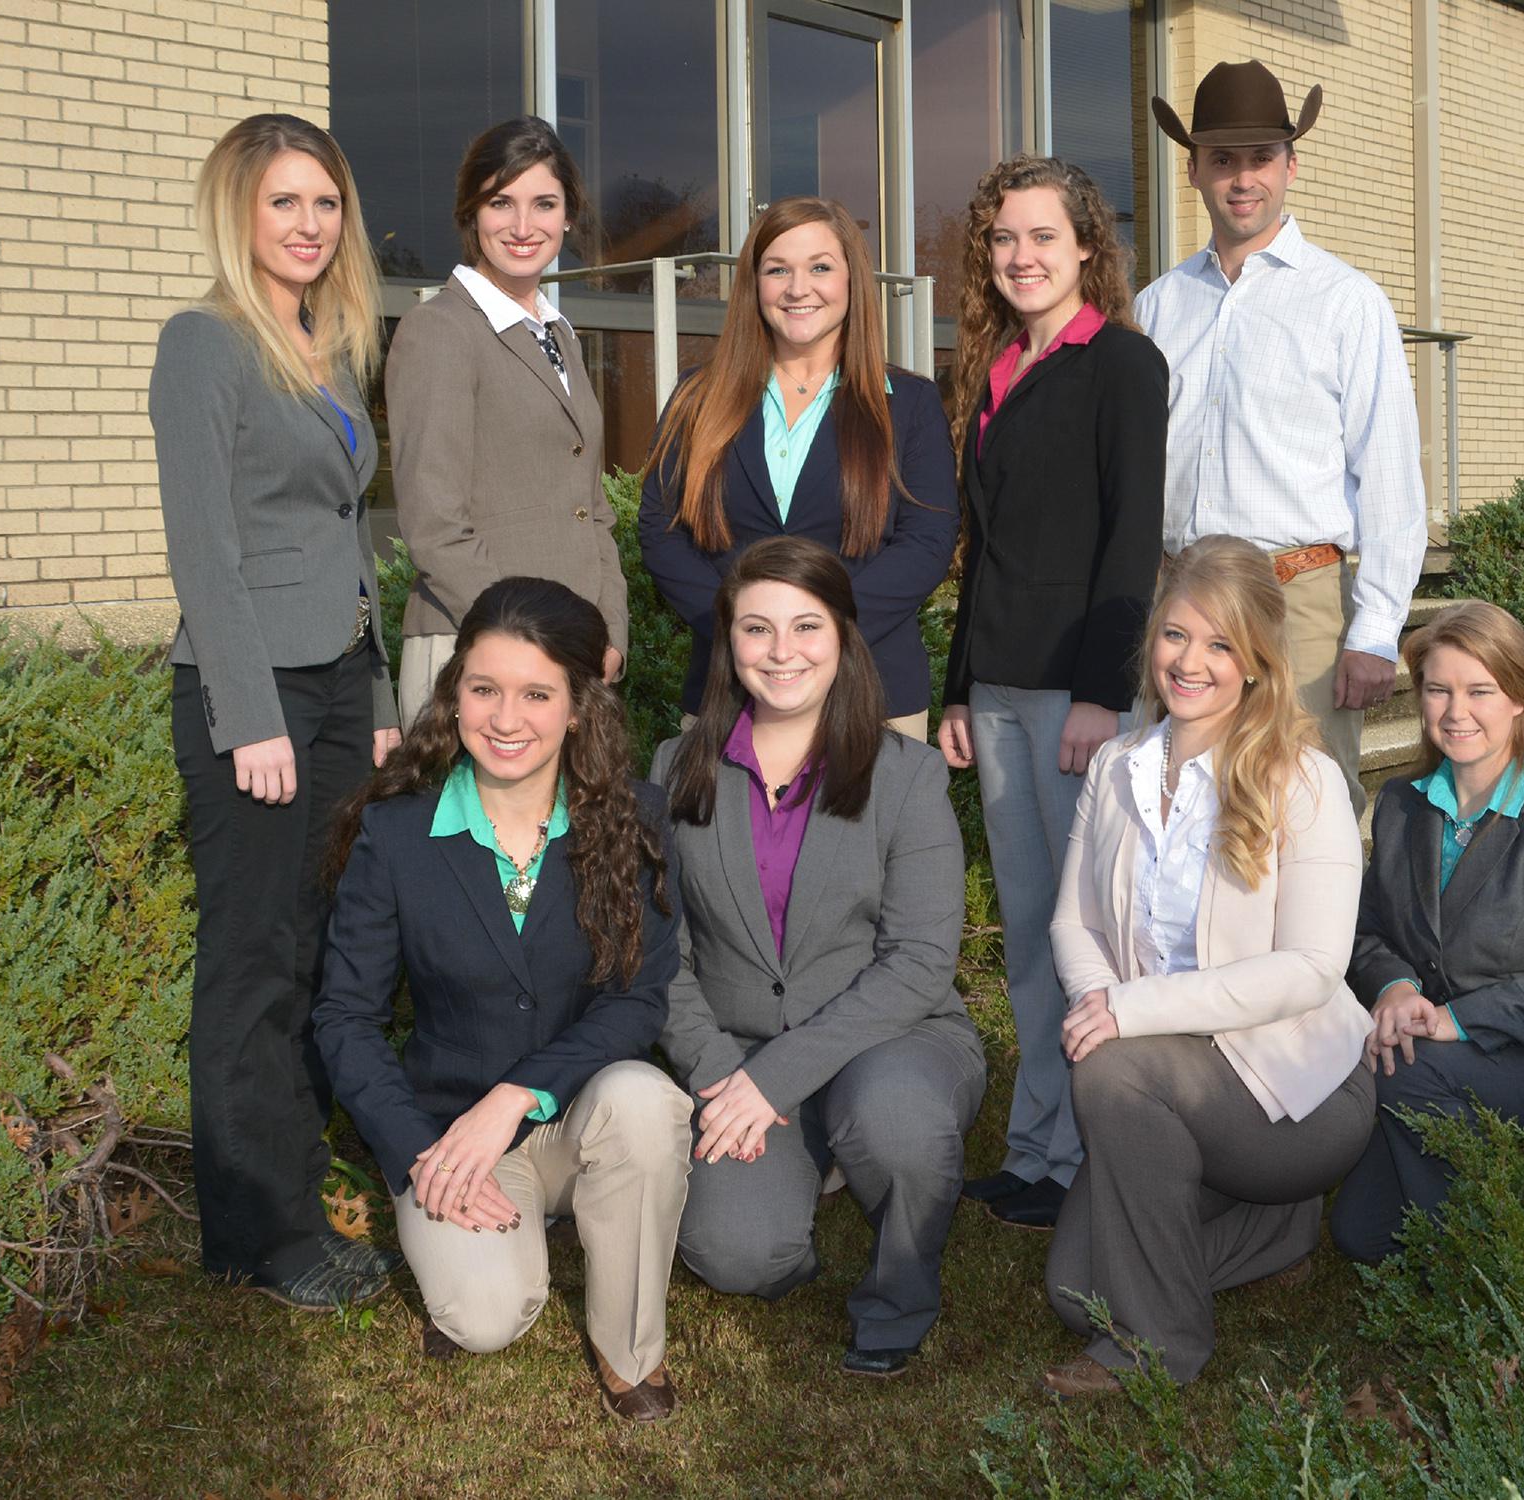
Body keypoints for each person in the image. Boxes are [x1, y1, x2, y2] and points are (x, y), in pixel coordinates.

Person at [313, 577, 692, 1422]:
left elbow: (637, 1004)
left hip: (578, 1110)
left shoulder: (634, 817)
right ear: (455, 698)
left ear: (578, 705)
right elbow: (345, 1019)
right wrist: (419, 1151)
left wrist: (517, 1096)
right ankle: (494, 1242)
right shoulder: (400, 831)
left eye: (535, 694)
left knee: (647, 1101)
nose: (507, 718)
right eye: (484, 690)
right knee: (486, 1318)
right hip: (449, 1131)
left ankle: (630, 1352)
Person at [150, 113, 402, 1309]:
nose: (309, 226)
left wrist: (384, 695)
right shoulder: (204, 343)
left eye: (326, 203)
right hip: (255, 687)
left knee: (315, 945)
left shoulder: (329, 344)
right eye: (284, 204)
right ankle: (260, 1233)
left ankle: (297, 1182)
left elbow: (353, 539)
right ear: (238, 214)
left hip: (342, 681)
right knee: (251, 961)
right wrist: (251, 716)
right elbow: (204, 547)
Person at [1039, 536, 1376, 1394]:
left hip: (1296, 1092)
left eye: (1221, 645)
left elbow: (1310, 967)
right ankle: (1277, 1234)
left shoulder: (1304, 779)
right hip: (1169, 1072)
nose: (1192, 663)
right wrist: (1095, 1003)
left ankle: (1159, 1347)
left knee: (1116, 1077)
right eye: (1177, 637)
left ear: (1259, 660)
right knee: (1077, 1293)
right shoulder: (1118, 764)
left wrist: (1128, 1013)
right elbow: (1072, 917)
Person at [655, 537, 984, 1380]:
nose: (781, 651)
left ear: (843, 635)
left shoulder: (907, 777)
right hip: (741, 1052)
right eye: (757, 629)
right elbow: (662, 961)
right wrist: (729, 1077)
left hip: (893, 1036)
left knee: (896, 1123)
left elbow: (916, 963)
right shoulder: (673, 771)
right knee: (737, 1255)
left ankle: (899, 1292)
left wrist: (777, 1079)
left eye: (806, 626)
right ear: (728, 642)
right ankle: (805, 1170)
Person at [939, 155, 1169, 1230]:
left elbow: (1132, 543)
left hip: (1076, 700)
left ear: (1087, 248)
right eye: (1004, 239)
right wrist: (956, 688)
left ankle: (1092, 1153)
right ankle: (1039, 1149)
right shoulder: (994, 370)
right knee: (1031, 930)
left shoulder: (1123, 364)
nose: (1022, 257)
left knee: (1089, 933)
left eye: (1044, 237)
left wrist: (1101, 692)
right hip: (995, 693)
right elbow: (978, 550)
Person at [1134, 60, 1426, 815]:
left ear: (1291, 165)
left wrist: (1376, 630)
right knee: (1180, 812)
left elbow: (1389, 477)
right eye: (1222, 159)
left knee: (1306, 817)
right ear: (1193, 167)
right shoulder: (1156, 307)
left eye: (1260, 158)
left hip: (1298, 606)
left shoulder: (1347, 303)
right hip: (1182, 601)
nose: (1242, 178)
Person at [1329, 601, 1524, 1262]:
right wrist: (1394, 987)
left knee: (1403, 1070)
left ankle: (1483, 1252)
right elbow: (1365, 930)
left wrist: (1457, 1020)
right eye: (1438, 689)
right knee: (1359, 1236)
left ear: (1522, 700)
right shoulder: (1401, 807)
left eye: (1480, 691)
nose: (1455, 711)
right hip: (1447, 1057)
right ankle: (1482, 1196)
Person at [638, 196, 958, 740]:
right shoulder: (698, 397)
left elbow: (928, 539)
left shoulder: (909, 403)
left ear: (853, 281)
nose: (797, 287)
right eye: (777, 269)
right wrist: (744, 632)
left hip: (872, 688)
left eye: (820, 268)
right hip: (728, 689)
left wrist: (823, 634)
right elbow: (660, 530)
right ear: (752, 285)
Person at [387, 114, 627, 729]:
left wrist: (610, 631)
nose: (524, 227)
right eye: (502, 202)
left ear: (568, 216)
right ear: (472, 212)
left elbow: (590, 506)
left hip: (569, 657)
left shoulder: (557, 335)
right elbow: (435, 528)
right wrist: (529, 646)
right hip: (481, 657)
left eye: (544, 204)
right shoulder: (439, 330)